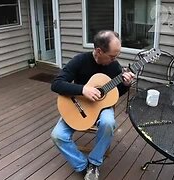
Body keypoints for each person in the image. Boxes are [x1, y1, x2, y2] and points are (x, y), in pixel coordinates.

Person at [50, 30, 135, 180]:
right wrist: (83, 89)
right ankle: (83, 166)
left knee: (109, 122)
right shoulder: (80, 61)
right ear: (98, 51)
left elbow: (115, 94)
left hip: (102, 108)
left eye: (117, 55)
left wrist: (126, 84)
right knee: (58, 135)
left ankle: (94, 163)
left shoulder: (114, 67)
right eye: (112, 56)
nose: (115, 59)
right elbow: (56, 84)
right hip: (78, 106)